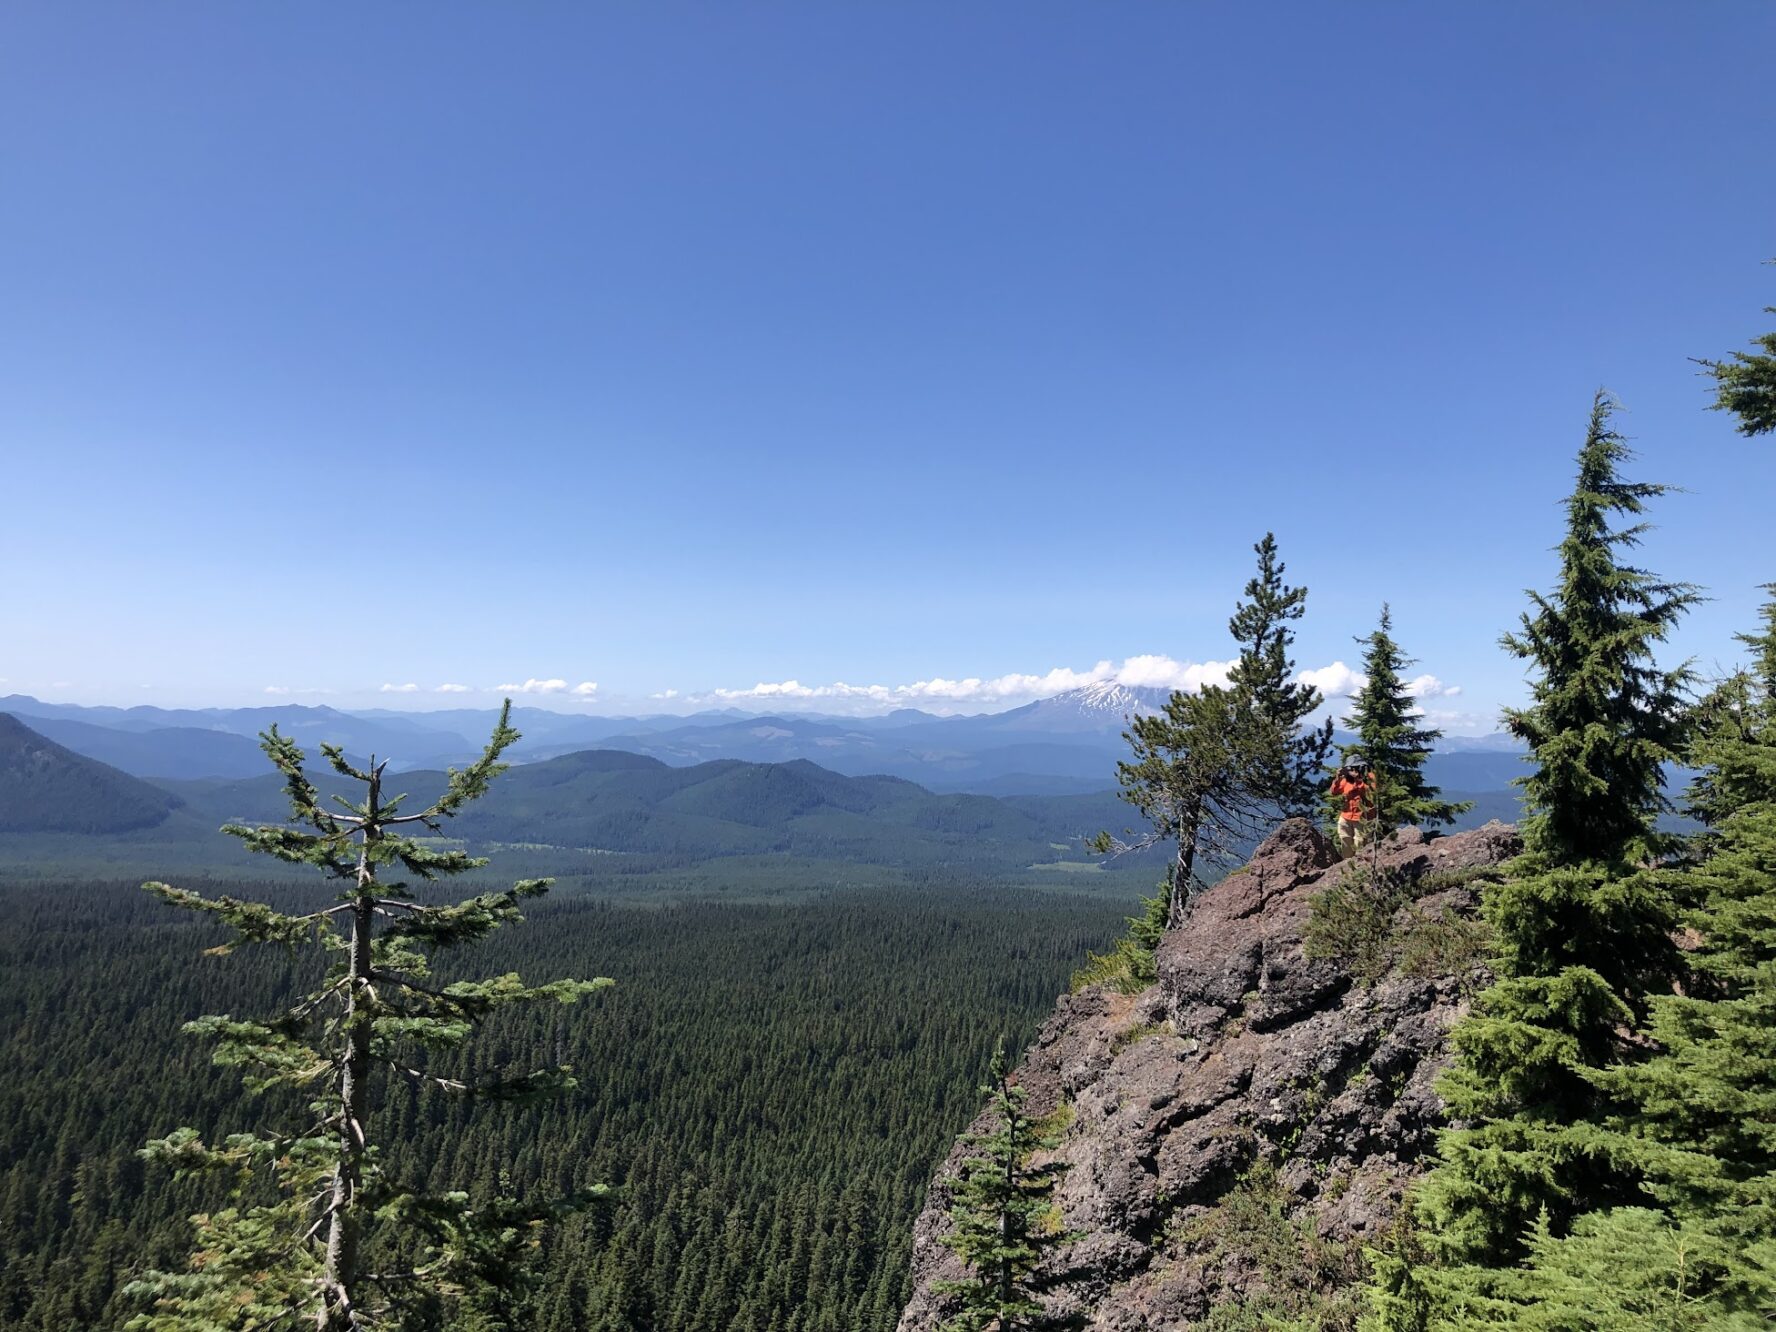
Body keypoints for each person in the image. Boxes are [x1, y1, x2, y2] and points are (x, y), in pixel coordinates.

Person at [1328, 761, 1373, 860]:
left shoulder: (1367, 779)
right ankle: (1348, 863)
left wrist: (1357, 778)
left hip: (1361, 817)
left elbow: (1368, 792)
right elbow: (1334, 792)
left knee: (1360, 842)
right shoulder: (1346, 781)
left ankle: (1359, 866)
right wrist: (1337, 778)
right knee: (1345, 840)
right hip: (1346, 816)